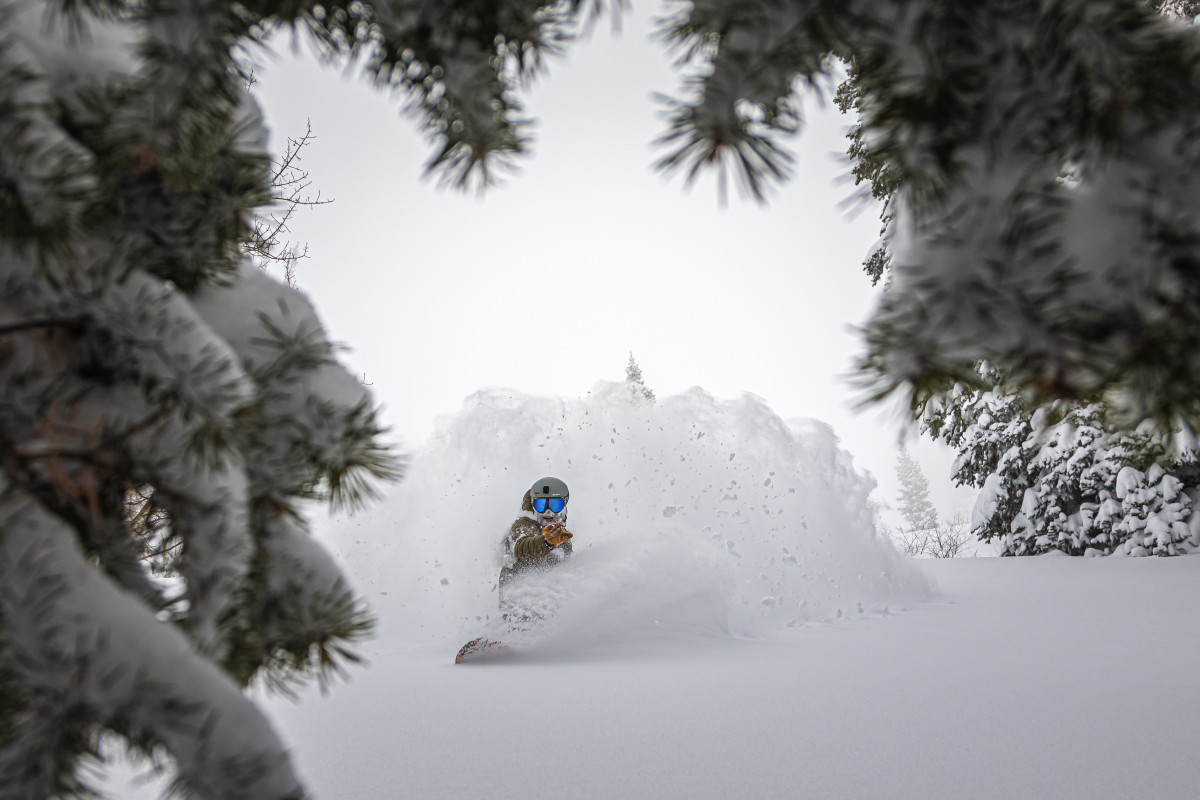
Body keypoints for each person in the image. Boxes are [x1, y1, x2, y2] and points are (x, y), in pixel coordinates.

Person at [498, 476, 574, 628]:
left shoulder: (558, 530)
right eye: (541, 505)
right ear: (533, 505)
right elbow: (522, 548)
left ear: (565, 504)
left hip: (548, 598)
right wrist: (546, 542)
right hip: (519, 598)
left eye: (555, 505)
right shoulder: (524, 525)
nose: (548, 512)